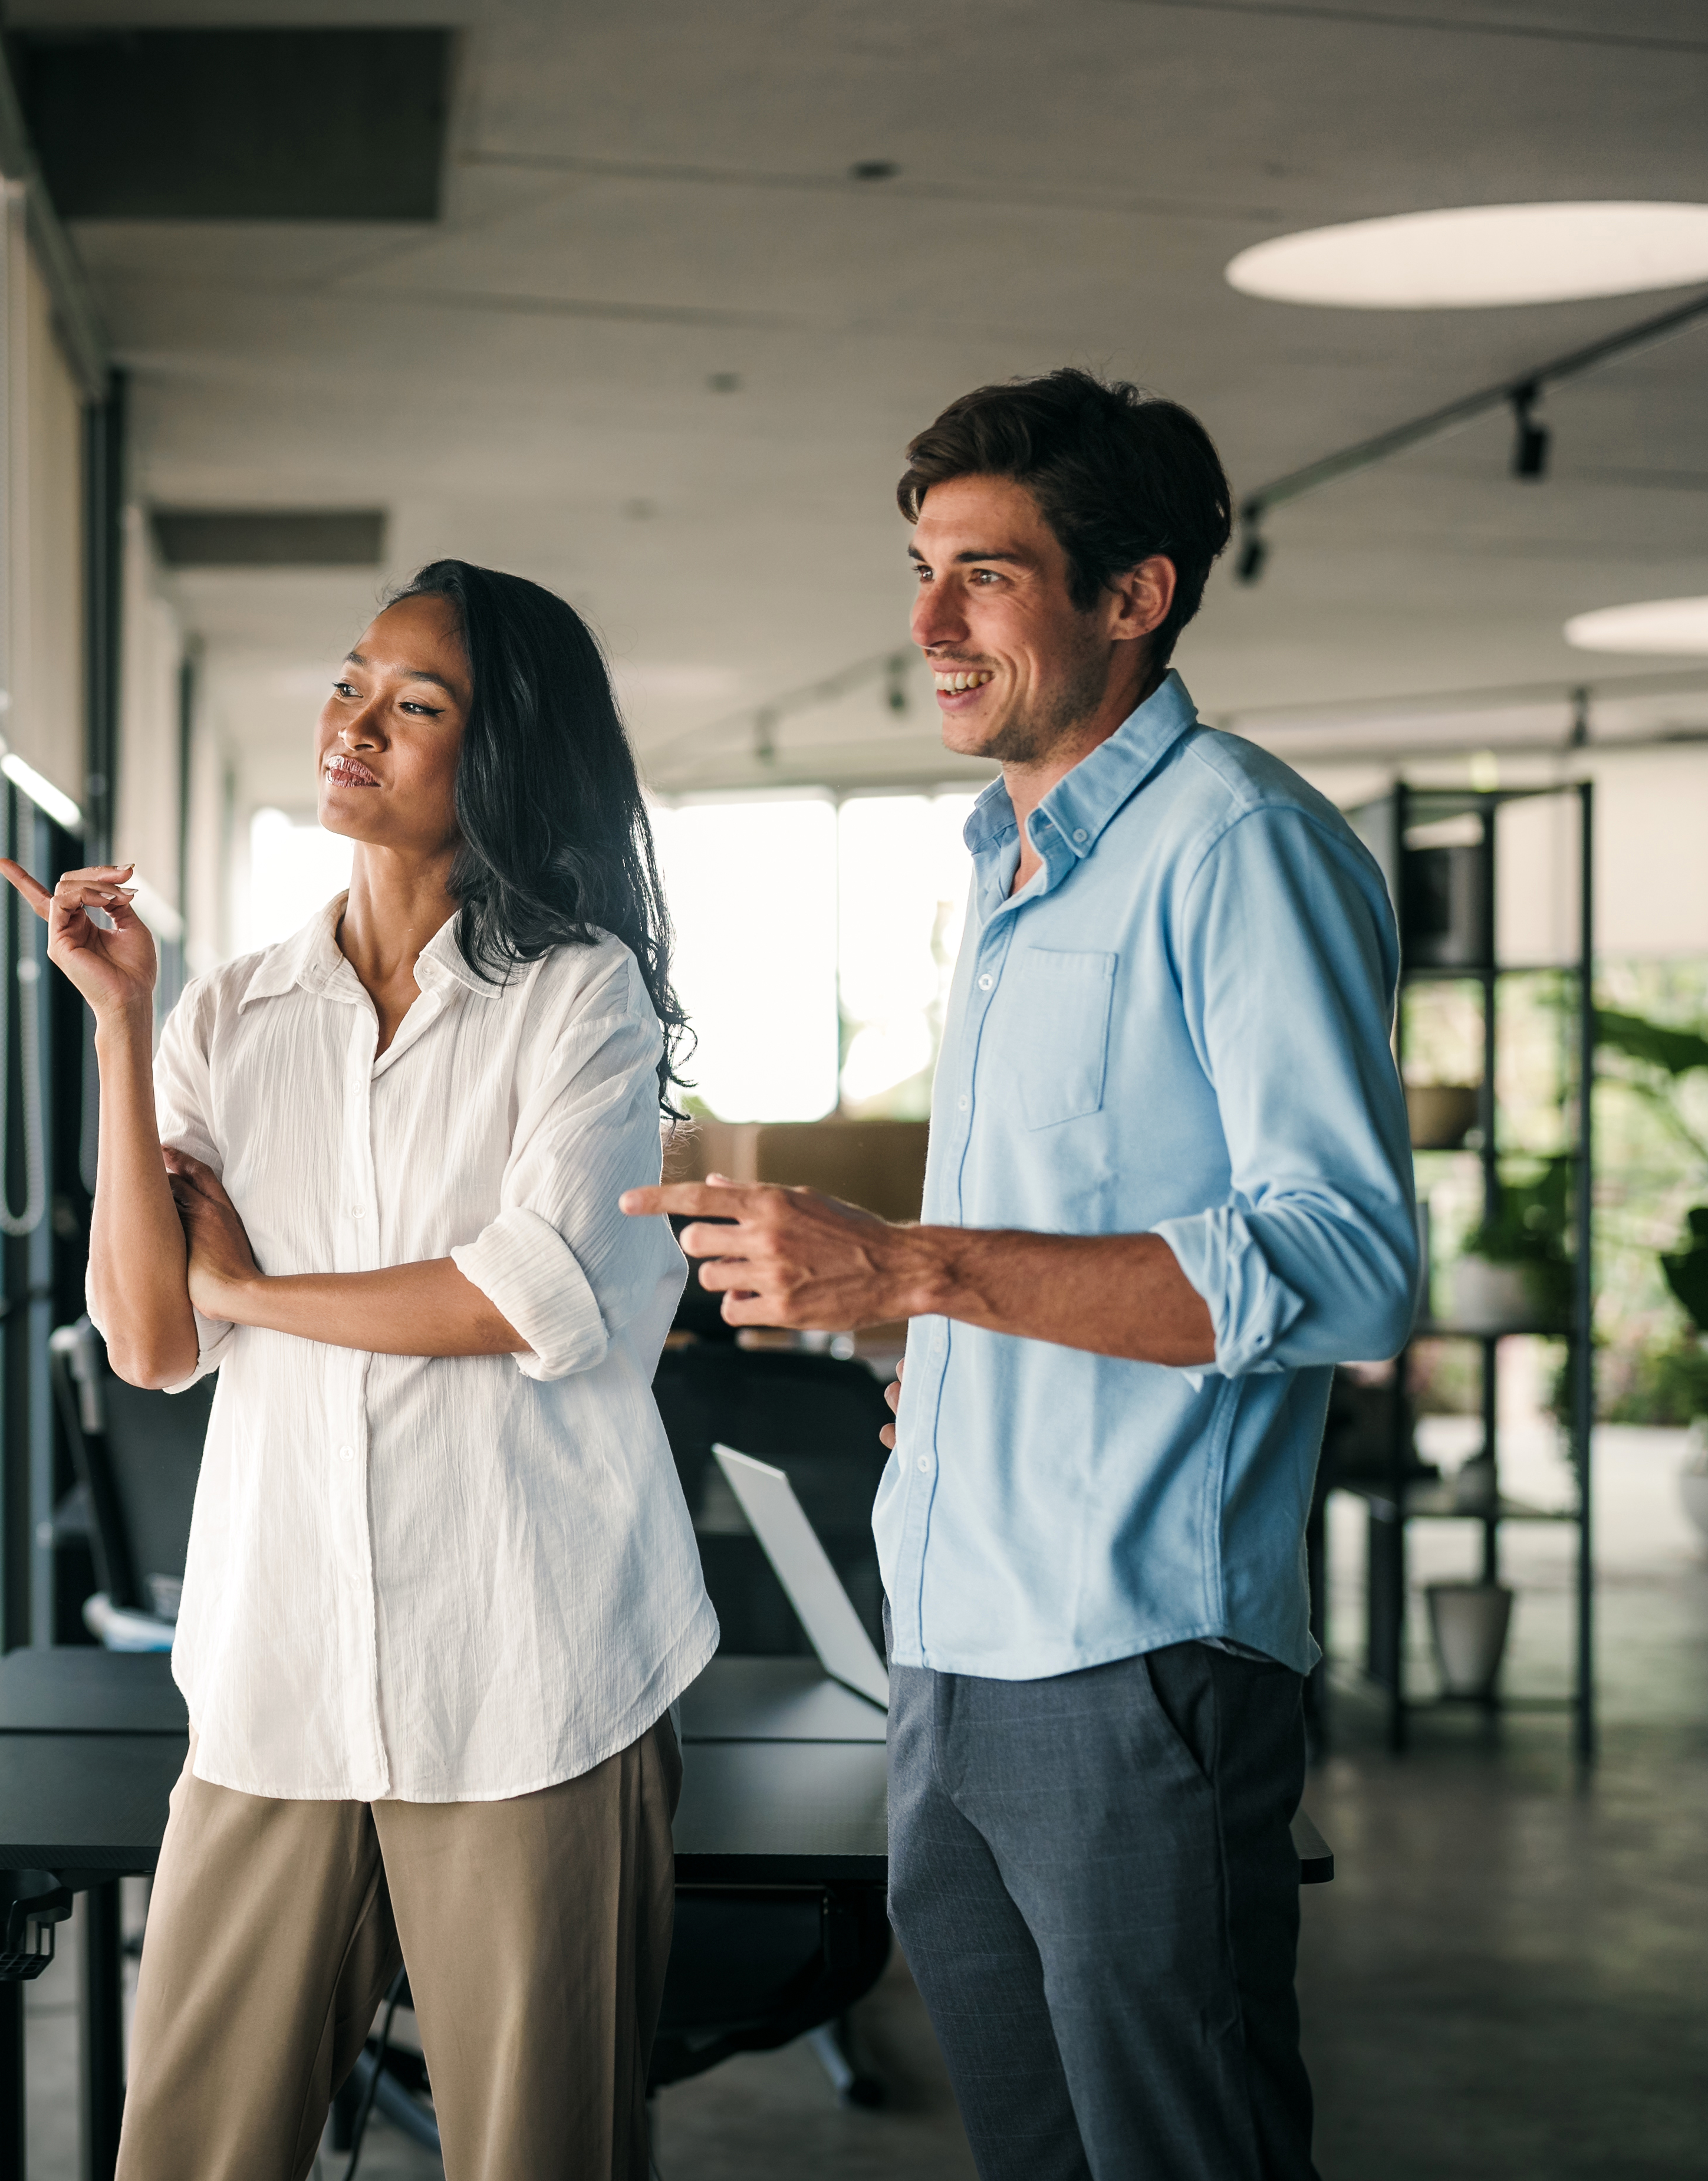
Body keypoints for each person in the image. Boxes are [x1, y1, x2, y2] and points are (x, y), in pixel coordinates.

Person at [627, 369, 1416, 2181]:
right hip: (950, 1646)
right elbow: (1075, 1249)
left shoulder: (1238, 844)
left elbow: (1345, 1264)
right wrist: (947, 1348)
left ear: (1131, 595)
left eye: (981, 572)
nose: (924, 623)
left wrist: (913, 1264)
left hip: (1132, 1654)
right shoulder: (1003, 865)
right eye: (921, 569)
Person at [0, 561, 710, 2180]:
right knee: (184, 2153)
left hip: (535, 1675)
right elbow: (153, 1338)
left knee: (542, 2159)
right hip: (279, 1675)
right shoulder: (227, 1016)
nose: (355, 724)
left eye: (416, 703)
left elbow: (521, 1296)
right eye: (350, 682)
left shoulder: (580, 999)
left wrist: (256, 1280)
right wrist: (118, 1025)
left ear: (501, 755)